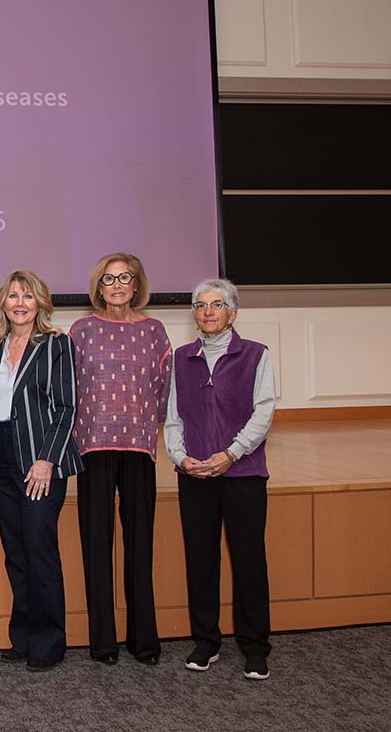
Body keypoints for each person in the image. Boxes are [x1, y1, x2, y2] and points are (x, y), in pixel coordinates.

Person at [164, 278, 275, 681]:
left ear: (233, 312)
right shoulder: (180, 357)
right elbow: (173, 417)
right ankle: (206, 640)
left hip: (242, 473)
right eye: (199, 305)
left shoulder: (255, 355)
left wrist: (231, 453)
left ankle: (255, 646)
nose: (207, 312)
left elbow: (263, 413)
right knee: (201, 559)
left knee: (248, 561)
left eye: (216, 305)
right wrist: (180, 457)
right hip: (194, 473)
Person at [69, 252, 171, 666]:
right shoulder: (81, 331)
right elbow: (70, 387)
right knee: (96, 546)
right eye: (108, 279)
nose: (115, 285)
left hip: (138, 448)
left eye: (123, 278)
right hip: (93, 446)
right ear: (98, 285)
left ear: (136, 284)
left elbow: (163, 390)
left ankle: (143, 641)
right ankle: (103, 642)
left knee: (139, 546)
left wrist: (148, 427)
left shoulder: (155, 331)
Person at [0, 270, 82, 672]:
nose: (20, 303)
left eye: (27, 296)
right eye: (12, 296)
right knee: (15, 553)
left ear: (39, 302)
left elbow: (67, 406)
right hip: (3, 458)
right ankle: (22, 637)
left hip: (40, 461)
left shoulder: (56, 344)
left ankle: (48, 642)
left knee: (39, 552)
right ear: (3, 303)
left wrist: (47, 459)